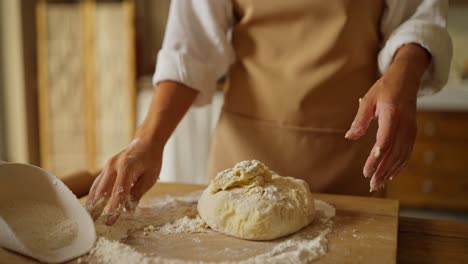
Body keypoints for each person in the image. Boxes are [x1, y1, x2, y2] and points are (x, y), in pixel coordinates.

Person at [86, 0, 452, 225]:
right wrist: (148, 139)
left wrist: (403, 75)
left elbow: (419, 16)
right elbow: (191, 48)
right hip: (240, 164)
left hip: (351, 160)